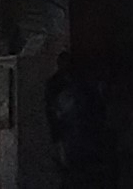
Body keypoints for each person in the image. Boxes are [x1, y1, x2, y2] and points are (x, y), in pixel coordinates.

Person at [47, 50, 114, 189]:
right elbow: (52, 111)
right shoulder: (58, 84)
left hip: (80, 132)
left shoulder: (81, 84)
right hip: (69, 133)